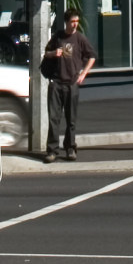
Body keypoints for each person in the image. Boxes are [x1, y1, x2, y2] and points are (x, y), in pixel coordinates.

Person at [41, 9, 95, 161]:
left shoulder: (80, 38)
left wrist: (83, 73)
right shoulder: (58, 36)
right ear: (66, 22)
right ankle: (52, 150)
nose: (75, 24)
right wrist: (53, 53)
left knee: (71, 119)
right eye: (72, 21)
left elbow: (92, 56)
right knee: (54, 118)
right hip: (56, 83)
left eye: (77, 21)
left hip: (72, 83)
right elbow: (46, 53)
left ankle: (70, 148)